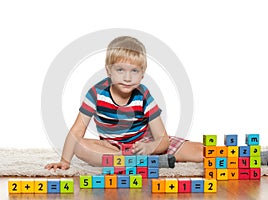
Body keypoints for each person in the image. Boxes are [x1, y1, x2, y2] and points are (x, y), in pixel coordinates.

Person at [45, 36, 204, 171]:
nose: (127, 78)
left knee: (200, 152)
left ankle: (139, 161)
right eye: (120, 70)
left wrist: (149, 148)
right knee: (79, 146)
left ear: (142, 74)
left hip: (145, 146)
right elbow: (77, 130)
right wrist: (65, 161)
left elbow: (162, 140)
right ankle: (136, 162)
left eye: (134, 71)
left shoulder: (143, 96)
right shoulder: (96, 93)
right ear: (109, 71)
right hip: (112, 148)